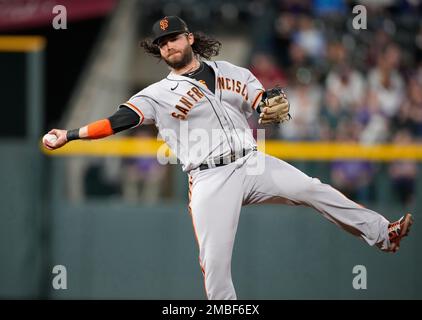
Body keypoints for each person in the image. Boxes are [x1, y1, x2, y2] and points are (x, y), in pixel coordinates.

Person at [43, 16, 414, 300]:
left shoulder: (233, 72)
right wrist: (71, 134)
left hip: (252, 163)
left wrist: (270, 105)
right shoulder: (157, 93)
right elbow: (118, 120)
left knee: (314, 189)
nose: (168, 46)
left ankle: (383, 233)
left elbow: (265, 102)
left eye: (172, 37)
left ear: (188, 38)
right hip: (209, 179)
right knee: (217, 270)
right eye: (161, 43)